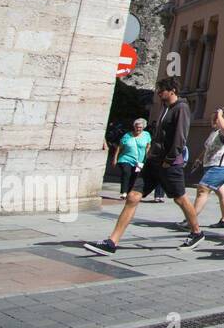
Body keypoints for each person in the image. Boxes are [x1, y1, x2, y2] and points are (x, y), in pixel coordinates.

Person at [86, 78, 204, 254]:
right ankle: (112, 242)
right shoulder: (165, 108)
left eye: (161, 90)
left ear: (172, 90)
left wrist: (169, 159)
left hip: (169, 165)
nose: (158, 93)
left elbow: (180, 137)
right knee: (133, 197)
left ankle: (197, 232)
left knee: (180, 198)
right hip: (153, 163)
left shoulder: (181, 108)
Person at [185, 107, 224, 229]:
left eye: (216, 119)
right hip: (211, 165)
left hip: (221, 166)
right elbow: (207, 148)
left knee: (202, 189)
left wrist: (220, 114)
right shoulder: (214, 132)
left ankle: (190, 220)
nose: (214, 120)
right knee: (222, 192)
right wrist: (199, 159)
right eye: (213, 118)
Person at [110, 118, 150, 197]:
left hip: (140, 161)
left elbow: (148, 146)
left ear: (143, 128)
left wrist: (147, 156)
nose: (138, 129)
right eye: (137, 127)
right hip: (126, 158)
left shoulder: (146, 135)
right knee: (126, 172)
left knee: (135, 176)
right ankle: (124, 192)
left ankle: (129, 192)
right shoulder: (127, 135)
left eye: (140, 127)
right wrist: (115, 159)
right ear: (134, 126)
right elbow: (119, 147)